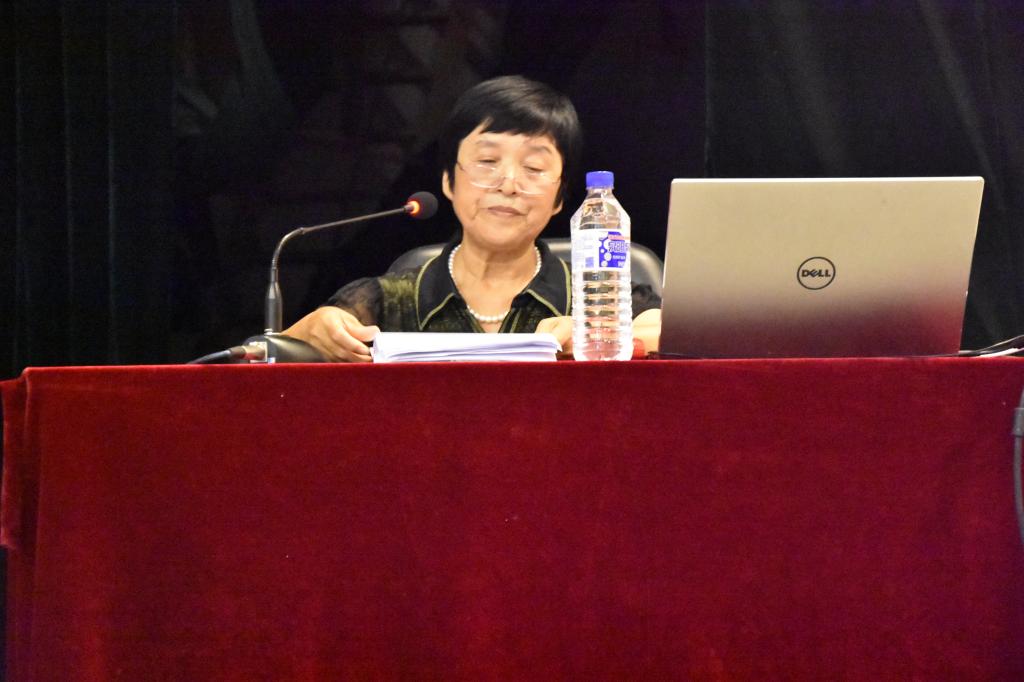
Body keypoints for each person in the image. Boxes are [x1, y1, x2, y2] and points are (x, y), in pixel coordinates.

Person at [284, 75, 661, 362]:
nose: (508, 185)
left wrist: (598, 334)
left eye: (533, 167)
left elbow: (671, 335)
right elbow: (274, 351)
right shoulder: (390, 301)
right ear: (448, 181)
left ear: (560, 197)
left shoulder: (591, 295)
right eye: (487, 161)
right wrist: (310, 331)